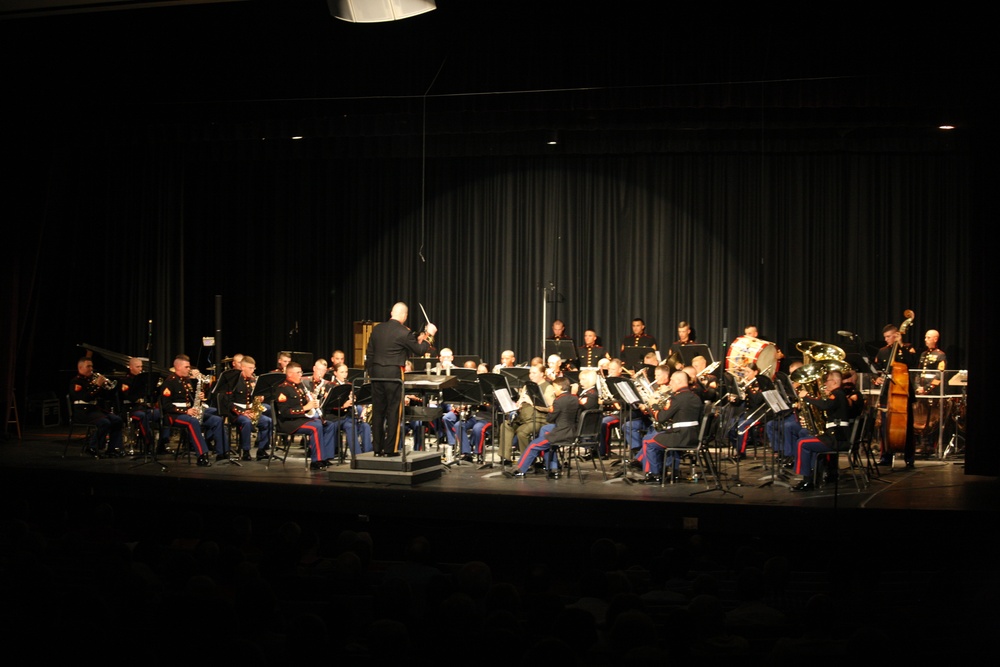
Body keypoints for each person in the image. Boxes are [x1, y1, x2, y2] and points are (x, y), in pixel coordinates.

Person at [365, 302, 437, 457]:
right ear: (404, 316)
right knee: (393, 411)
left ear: (392, 312)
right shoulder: (403, 332)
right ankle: (390, 449)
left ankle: (377, 449)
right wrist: (430, 335)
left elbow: (369, 354)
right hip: (393, 374)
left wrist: (371, 373)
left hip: (376, 373)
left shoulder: (377, 329)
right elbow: (420, 350)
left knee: (378, 411)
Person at [639, 368, 704, 483]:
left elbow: (661, 418)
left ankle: (654, 474)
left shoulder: (677, 398)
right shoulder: (696, 397)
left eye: (672, 381)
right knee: (657, 436)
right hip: (693, 437)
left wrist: (654, 405)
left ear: (679, 381)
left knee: (647, 441)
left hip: (681, 437)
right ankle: (670, 470)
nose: (670, 383)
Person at [508, 376, 581, 478]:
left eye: (554, 388)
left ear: (560, 387)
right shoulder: (575, 398)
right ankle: (552, 467)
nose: (554, 391)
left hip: (562, 433)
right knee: (545, 430)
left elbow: (550, 419)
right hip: (573, 430)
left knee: (534, 445)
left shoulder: (559, 401)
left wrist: (551, 410)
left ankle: (520, 469)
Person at [160, 354, 225, 467]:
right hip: (174, 415)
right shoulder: (169, 382)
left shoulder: (187, 381)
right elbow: (166, 406)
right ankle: (202, 455)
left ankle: (222, 453)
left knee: (217, 420)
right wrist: (186, 411)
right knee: (192, 422)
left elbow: (190, 399)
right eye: (187, 367)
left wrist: (199, 398)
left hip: (189, 412)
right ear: (178, 367)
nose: (189, 369)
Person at [791, 370, 851, 491]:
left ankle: (807, 479)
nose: (825, 384)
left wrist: (807, 397)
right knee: (808, 441)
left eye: (827, 381)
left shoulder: (837, 394)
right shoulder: (838, 394)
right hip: (835, 436)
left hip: (837, 438)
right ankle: (812, 478)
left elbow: (825, 405)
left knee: (802, 443)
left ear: (834, 382)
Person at [274, 362, 338, 469]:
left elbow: (304, 403)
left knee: (329, 424)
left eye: (301, 372)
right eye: (298, 372)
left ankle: (325, 457)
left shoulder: (299, 386)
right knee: (316, 426)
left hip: (301, 419)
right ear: (289, 374)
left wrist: (310, 399)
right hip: (289, 422)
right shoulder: (283, 389)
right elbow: (285, 412)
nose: (301, 375)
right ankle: (316, 461)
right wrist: (306, 407)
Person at [874, 323, 918, 468]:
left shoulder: (906, 348)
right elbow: (878, 370)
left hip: (902, 394)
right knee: (884, 427)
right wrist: (877, 378)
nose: (886, 340)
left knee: (907, 428)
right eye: (885, 337)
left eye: (888, 337)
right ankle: (886, 456)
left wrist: (900, 344)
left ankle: (909, 458)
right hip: (887, 393)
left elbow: (912, 363)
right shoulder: (882, 351)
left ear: (896, 335)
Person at [497, 363, 553, 465]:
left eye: (534, 373)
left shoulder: (547, 387)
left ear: (542, 374)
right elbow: (521, 401)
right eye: (530, 373)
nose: (531, 375)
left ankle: (527, 460)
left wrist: (531, 402)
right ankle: (505, 458)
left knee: (522, 432)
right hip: (523, 418)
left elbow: (549, 408)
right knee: (505, 426)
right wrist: (517, 404)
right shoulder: (527, 386)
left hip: (539, 419)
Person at [70, 357, 125, 457]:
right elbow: (85, 397)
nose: (91, 368)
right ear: (80, 367)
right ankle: (92, 446)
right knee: (104, 422)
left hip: (94, 410)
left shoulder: (92, 380)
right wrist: (97, 386)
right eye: (88, 366)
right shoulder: (76, 382)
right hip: (82, 411)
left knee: (117, 420)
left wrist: (107, 387)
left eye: (92, 366)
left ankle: (113, 449)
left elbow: (105, 396)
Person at [224, 355, 272, 461]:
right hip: (236, 414)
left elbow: (254, 400)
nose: (253, 371)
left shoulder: (253, 380)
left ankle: (261, 450)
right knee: (246, 422)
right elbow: (228, 402)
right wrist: (242, 412)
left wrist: (259, 396)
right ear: (242, 367)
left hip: (251, 411)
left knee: (268, 421)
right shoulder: (234, 381)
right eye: (250, 368)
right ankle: (246, 451)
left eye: (253, 368)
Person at [727, 362, 775, 459]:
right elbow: (741, 400)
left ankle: (741, 452)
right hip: (748, 412)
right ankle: (737, 447)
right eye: (745, 372)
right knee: (729, 425)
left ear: (755, 372)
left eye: (748, 372)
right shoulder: (746, 384)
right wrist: (734, 400)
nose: (746, 375)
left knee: (743, 426)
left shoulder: (760, 383)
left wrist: (748, 387)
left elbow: (757, 399)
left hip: (760, 413)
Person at [328, 362, 372, 456]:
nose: (345, 374)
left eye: (346, 372)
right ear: (335, 373)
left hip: (350, 416)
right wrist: (344, 405)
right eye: (342, 372)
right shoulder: (332, 386)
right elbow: (329, 405)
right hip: (337, 417)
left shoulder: (349, 384)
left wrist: (355, 400)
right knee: (351, 426)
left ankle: (368, 454)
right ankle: (357, 456)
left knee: (366, 426)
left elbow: (355, 401)